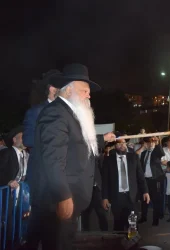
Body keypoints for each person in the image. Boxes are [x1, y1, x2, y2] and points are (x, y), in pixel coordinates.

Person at [26, 63, 115, 250]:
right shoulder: (56, 113)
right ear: (68, 91)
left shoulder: (70, 114)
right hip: (58, 201)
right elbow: (53, 159)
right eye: (84, 91)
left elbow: (78, 143)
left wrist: (101, 139)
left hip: (71, 200)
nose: (89, 95)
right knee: (58, 244)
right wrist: (63, 196)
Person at [101, 138, 150, 231]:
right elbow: (105, 180)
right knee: (118, 225)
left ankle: (133, 244)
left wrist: (145, 191)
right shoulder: (108, 160)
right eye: (119, 143)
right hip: (116, 198)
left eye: (123, 143)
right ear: (115, 146)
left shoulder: (133, 158)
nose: (122, 145)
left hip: (131, 197)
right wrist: (105, 197)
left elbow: (140, 176)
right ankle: (118, 244)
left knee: (132, 225)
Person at [139, 137, 165, 226]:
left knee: (156, 200)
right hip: (145, 180)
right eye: (148, 142)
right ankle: (143, 217)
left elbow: (162, 153)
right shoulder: (143, 153)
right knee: (144, 199)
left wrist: (157, 143)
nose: (150, 144)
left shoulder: (156, 152)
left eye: (151, 142)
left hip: (155, 180)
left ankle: (155, 219)